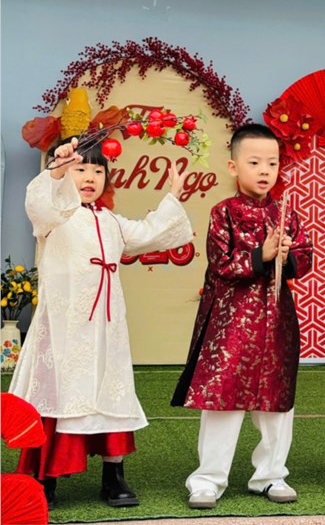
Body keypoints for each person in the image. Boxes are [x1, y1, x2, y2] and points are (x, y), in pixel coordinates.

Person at [9, 136, 194, 510]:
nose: (90, 177)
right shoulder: (54, 217)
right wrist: (56, 170)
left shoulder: (110, 222)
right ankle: (46, 476)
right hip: (64, 328)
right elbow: (39, 204)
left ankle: (114, 476)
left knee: (111, 391)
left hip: (107, 329)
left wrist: (173, 196)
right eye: (81, 169)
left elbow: (150, 233)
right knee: (59, 394)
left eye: (97, 170)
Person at [171, 123, 312, 510]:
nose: (265, 170)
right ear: (233, 166)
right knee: (223, 401)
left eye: (272, 163)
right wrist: (261, 255)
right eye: (254, 162)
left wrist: (289, 255)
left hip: (276, 323)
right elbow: (220, 264)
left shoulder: (286, 214)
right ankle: (207, 480)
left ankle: (271, 475)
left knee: (276, 401)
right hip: (231, 326)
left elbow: (305, 259)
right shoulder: (224, 213)